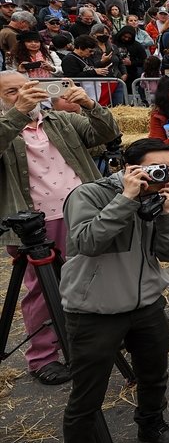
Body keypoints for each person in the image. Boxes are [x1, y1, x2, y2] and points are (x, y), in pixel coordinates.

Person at [56, 137, 169, 443]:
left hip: (144, 303)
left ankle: (151, 423)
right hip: (94, 310)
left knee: (154, 372)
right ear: (129, 168)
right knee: (87, 393)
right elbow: (88, 242)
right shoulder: (90, 194)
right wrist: (126, 199)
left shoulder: (159, 196)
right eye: (154, 168)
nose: (162, 175)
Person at [0, 73, 121, 384]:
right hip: (33, 223)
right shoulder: (7, 127)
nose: (21, 95)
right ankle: (43, 357)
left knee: (94, 275)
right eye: (12, 92)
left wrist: (90, 105)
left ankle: (99, 340)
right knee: (42, 289)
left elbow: (107, 132)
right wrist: (17, 113)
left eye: (25, 89)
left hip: (82, 211)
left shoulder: (59, 119)